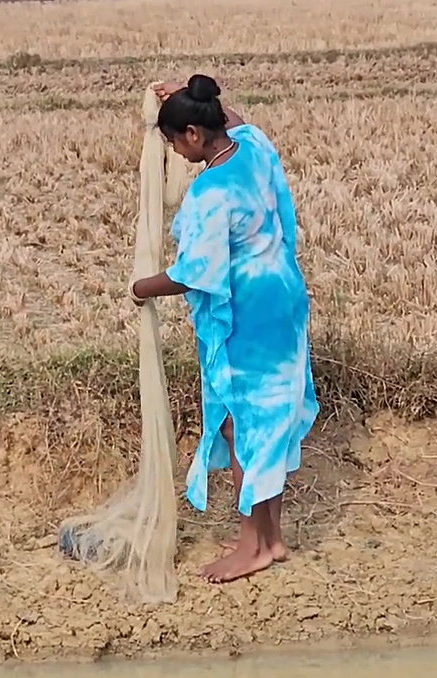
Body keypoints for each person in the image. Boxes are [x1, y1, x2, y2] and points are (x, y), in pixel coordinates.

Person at [130, 74, 319, 584]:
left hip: (248, 315)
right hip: (284, 300)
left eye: (175, 142)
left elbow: (195, 273)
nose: (175, 152)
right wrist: (187, 93)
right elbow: (233, 120)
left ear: (193, 134)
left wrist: (141, 287)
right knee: (269, 420)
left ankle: (250, 546)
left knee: (241, 427)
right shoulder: (251, 147)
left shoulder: (211, 192)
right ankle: (273, 538)